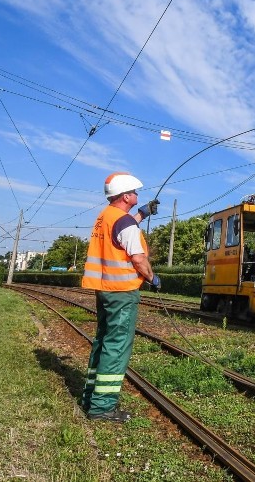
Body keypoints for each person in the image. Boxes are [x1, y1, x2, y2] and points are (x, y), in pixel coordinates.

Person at [80, 172, 161, 422]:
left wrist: (143, 214)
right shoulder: (123, 221)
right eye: (135, 192)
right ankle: (102, 407)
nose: (138, 195)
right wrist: (152, 278)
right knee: (116, 347)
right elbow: (137, 258)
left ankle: (90, 396)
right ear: (126, 196)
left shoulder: (105, 216)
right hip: (122, 293)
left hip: (104, 289)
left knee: (103, 340)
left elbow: (122, 229)